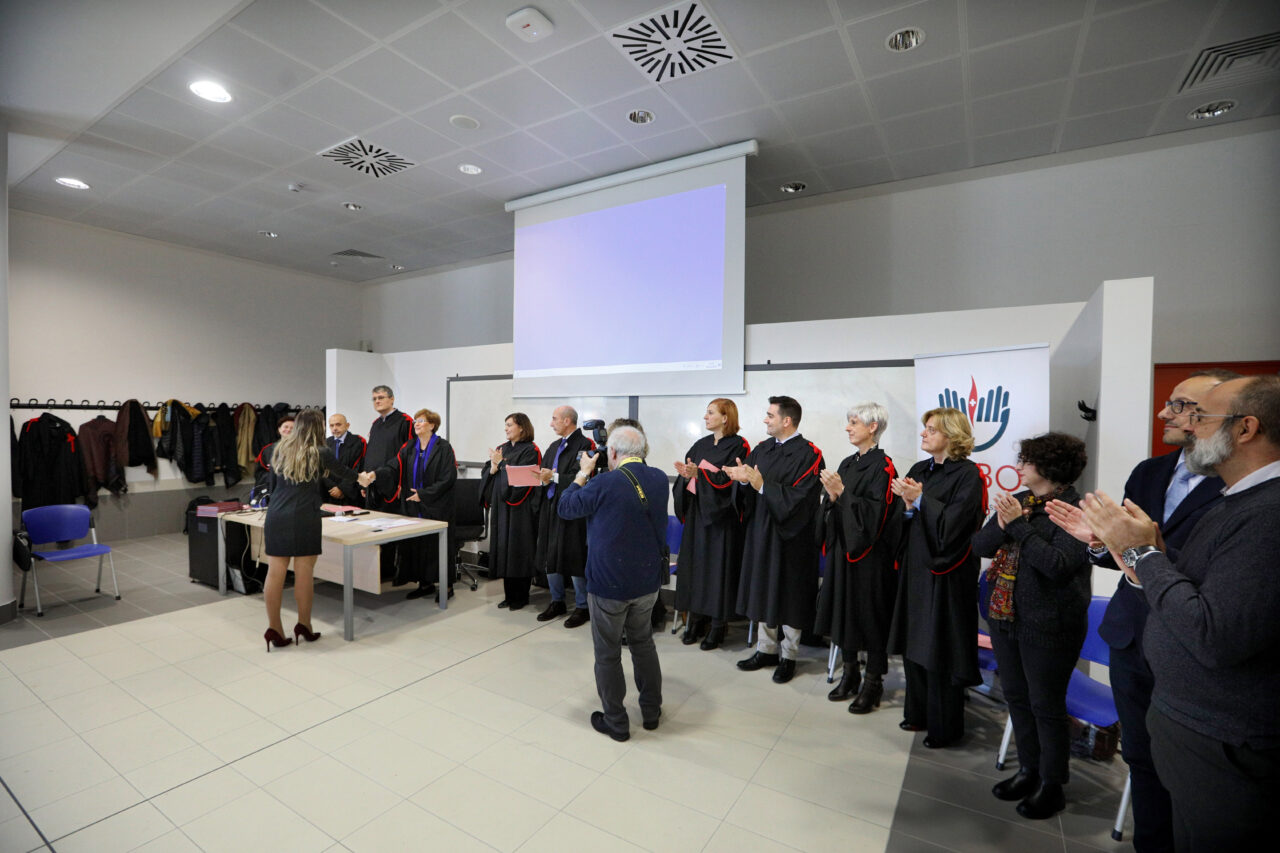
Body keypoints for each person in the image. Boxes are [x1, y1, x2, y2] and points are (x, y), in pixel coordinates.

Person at [1081, 375, 1280, 851]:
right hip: (1184, 715)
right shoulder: (1237, 499)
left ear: (1245, 428)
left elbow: (1214, 632)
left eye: (1202, 417)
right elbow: (1190, 577)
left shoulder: (1265, 512)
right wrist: (1126, 551)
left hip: (1222, 738)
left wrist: (1146, 555)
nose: (1189, 426)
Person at [1047, 369, 1236, 852]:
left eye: (1178, 405)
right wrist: (1098, 543)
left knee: (1192, 778)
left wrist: (1147, 550)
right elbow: (1124, 555)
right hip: (1132, 642)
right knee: (1143, 760)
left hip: (1190, 648)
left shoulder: (1243, 486)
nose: (1164, 413)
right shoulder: (1149, 472)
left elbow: (1216, 574)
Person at [972, 432, 1090, 820]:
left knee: (1046, 706)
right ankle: (1029, 770)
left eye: (1026, 460)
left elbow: (1057, 564)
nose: (1019, 466)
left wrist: (1019, 527)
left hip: (1050, 625)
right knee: (1018, 699)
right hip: (1005, 618)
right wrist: (1005, 521)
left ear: (1048, 467)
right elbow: (981, 547)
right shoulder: (1020, 501)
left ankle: (1053, 784)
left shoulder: (1075, 509)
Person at [557, 426, 668, 741]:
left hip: (609, 583)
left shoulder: (605, 482)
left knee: (607, 653)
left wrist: (582, 474)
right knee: (643, 644)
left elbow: (566, 507)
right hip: (648, 582)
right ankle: (651, 712)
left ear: (614, 453)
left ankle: (616, 722)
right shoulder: (660, 479)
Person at [887, 407, 986, 748]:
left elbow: (957, 525)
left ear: (952, 435)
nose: (924, 434)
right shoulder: (919, 470)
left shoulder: (969, 475)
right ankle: (917, 713)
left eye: (931, 430)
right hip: (916, 567)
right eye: (924, 428)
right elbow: (907, 517)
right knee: (916, 641)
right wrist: (909, 505)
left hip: (946, 573)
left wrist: (920, 499)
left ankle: (945, 727)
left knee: (939, 647)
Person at [726, 396, 825, 684]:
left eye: (770, 415)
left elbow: (801, 499)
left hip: (792, 537)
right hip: (761, 532)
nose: (765, 420)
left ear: (787, 420)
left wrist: (761, 485)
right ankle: (765, 649)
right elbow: (751, 491)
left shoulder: (810, 454)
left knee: (789, 594)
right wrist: (743, 481)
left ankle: (789, 655)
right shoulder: (761, 449)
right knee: (762, 588)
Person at [814, 402, 903, 713]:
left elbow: (876, 514)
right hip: (844, 550)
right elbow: (834, 504)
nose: (848, 428)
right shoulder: (848, 463)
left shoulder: (884, 466)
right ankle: (849, 672)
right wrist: (833, 496)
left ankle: (873, 682)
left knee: (871, 617)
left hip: (870, 557)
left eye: (854, 422)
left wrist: (843, 495)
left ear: (872, 427)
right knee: (844, 612)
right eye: (849, 422)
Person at [261, 408, 357, 650]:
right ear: (318, 427)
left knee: (275, 572)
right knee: (304, 573)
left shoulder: (277, 449)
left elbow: (272, 486)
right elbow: (346, 474)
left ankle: (274, 628)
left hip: (276, 515)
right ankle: (304, 625)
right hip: (304, 516)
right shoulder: (320, 452)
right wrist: (365, 479)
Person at [672, 398, 750, 650]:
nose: (705, 417)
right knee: (695, 568)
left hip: (721, 520)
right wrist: (686, 475)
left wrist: (701, 475)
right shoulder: (701, 444)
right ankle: (695, 619)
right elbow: (689, 475)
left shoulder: (740, 446)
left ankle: (718, 625)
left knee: (717, 572)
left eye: (710, 413)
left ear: (725, 417)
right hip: (697, 516)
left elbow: (733, 480)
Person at [359, 408, 457, 600]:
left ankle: (446, 586)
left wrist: (424, 494)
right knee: (418, 545)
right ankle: (425, 583)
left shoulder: (443, 447)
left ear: (432, 425)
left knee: (437, 547)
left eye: (420, 421)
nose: (416, 424)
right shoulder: (409, 446)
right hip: (413, 506)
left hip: (436, 505)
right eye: (415, 421)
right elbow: (393, 466)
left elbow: (448, 478)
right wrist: (374, 475)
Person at [534, 406, 595, 627]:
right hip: (551, 507)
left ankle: (582, 606)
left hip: (574, 510)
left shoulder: (585, 446)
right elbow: (545, 474)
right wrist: (542, 478)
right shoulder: (553, 447)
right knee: (551, 556)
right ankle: (557, 600)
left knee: (575, 556)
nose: (551, 424)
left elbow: (586, 478)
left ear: (567, 420)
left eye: (554, 419)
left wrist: (555, 477)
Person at [480, 412, 541, 610]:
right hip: (502, 507)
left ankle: (521, 597)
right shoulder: (501, 448)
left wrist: (502, 464)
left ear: (521, 427)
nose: (506, 428)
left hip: (520, 509)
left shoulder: (532, 450)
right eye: (505, 425)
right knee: (504, 550)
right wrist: (493, 468)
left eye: (509, 425)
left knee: (518, 551)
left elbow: (526, 479)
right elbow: (490, 471)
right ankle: (508, 595)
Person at [361, 385, 413, 581]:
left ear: (392, 399)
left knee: (392, 531)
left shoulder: (405, 421)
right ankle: (376, 572)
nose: (377, 401)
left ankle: (393, 572)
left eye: (381, 397)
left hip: (394, 486)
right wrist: (365, 483)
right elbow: (370, 455)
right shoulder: (375, 424)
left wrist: (401, 484)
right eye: (374, 398)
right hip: (373, 484)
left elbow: (406, 456)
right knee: (374, 529)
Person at [324, 413, 366, 502]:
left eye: (338, 424)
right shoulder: (326, 443)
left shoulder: (359, 442)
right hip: (329, 493)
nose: (334, 428)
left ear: (347, 425)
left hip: (351, 493)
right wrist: (332, 487)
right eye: (331, 426)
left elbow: (359, 468)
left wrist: (342, 488)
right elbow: (322, 469)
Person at [253, 414, 295, 496]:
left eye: (292, 428)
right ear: (279, 429)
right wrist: (272, 478)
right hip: (272, 491)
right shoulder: (268, 449)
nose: (288, 430)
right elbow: (259, 472)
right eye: (286, 427)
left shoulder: (302, 449)